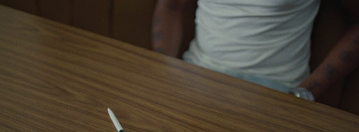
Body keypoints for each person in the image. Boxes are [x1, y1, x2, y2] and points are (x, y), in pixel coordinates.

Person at [152, 0, 359, 101]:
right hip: (196, 75)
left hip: (278, 91)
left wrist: (308, 90)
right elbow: (171, 7)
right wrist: (164, 70)